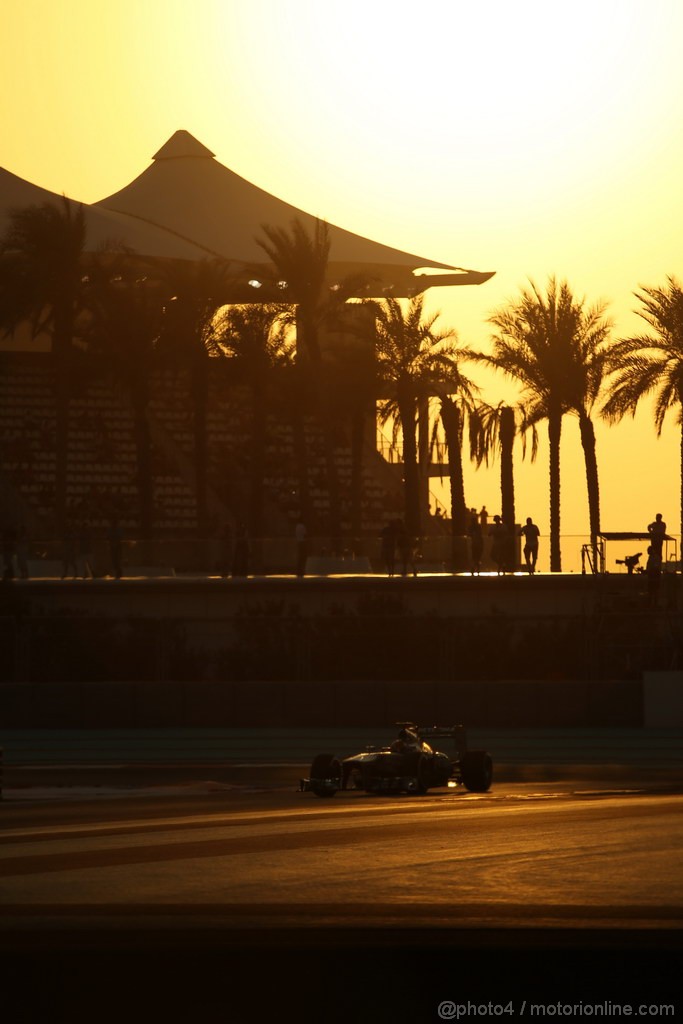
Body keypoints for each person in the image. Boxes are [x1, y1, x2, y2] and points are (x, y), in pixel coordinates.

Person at [467, 510, 483, 574]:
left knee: (475, 557)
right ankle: (476, 568)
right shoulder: (477, 527)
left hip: (476, 544)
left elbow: (469, 534)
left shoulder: (472, 527)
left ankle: (475, 568)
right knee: (476, 557)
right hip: (477, 544)